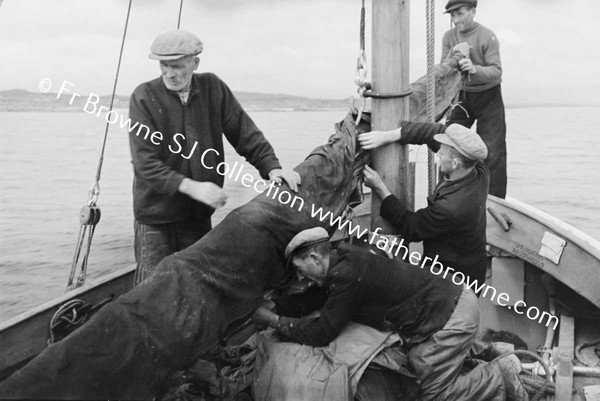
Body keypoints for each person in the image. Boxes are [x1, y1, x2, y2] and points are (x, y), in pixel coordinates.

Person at [253, 227, 529, 400]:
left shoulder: (346, 275)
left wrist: (274, 321)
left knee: (431, 393)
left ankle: (499, 375)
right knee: (419, 362)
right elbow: (316, 296)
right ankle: (492, 350)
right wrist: (279, 306)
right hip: (451, 302)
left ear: (315, 258)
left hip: (452, 316)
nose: (302, 278)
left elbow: (322, 333)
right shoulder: (345, 257)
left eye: (301, 270)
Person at [128, 30, 300, 284]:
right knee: (150, 292)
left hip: (196, 216)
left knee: (197, 285)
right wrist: (192, 188)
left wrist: (272, 167)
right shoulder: (143, 97)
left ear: (195, 63)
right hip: (156, 219)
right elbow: (145, 164)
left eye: (177, 66)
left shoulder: (213, 88)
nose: (169, 73)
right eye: (164, 65)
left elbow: (243, 132)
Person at [360, 122, 489, 285]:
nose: (437, 154)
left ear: (455, 163)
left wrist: (380, 187)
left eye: (441, 153)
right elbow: (434, 131)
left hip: (453, 280)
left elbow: (410, 226)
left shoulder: (451, 208)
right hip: (473, 266)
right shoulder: (477, 167)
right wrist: (389, 136)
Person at [441, 0, 507, 198]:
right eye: (452, 15)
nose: (456, 20)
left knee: (492, 152)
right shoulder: (448, 37)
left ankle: (494, 202)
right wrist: (453, 62)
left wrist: (474, 69)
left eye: (460, 14)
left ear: (473, 11)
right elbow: (443, 67)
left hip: (489, 96)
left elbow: (496, 71)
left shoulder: (488, 36)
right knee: (447, 142)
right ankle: (444, 196)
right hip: (461, 96)